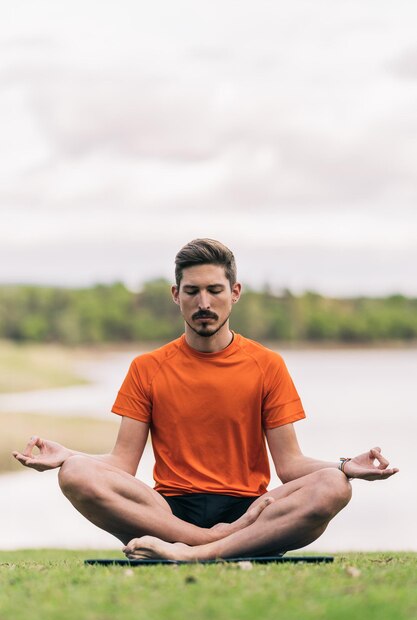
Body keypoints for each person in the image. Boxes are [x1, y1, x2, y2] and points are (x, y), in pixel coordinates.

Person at [13, 238, 399, 561]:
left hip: (252, 510)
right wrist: (69, 456)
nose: (203, 303)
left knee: (333, 486)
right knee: (76, 474)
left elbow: (291, 465)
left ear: (234, 293)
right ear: (175, 295)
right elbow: (121, 464)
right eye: (192, 291)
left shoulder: (267, 365)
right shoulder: (147, 367)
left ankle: (191, 553)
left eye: (214, 290)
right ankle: (216, 544)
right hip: (167, 513)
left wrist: (347, 466)